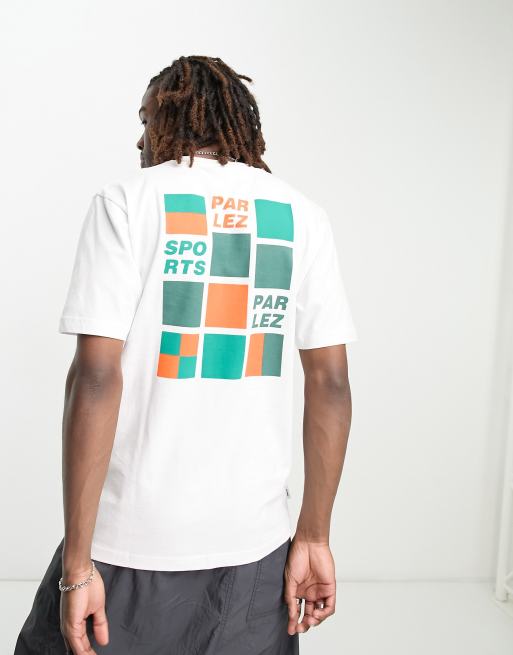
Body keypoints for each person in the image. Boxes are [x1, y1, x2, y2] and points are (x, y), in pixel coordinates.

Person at [14, 55, 357, 654]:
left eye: (146, 120)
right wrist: (314, 536)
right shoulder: (302, 215)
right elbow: (330, 383)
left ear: (172, 120)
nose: (140, 139)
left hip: (128, 547)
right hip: (256, 549)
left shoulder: (126, 203)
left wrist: (78, 565)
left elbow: (95, 378)